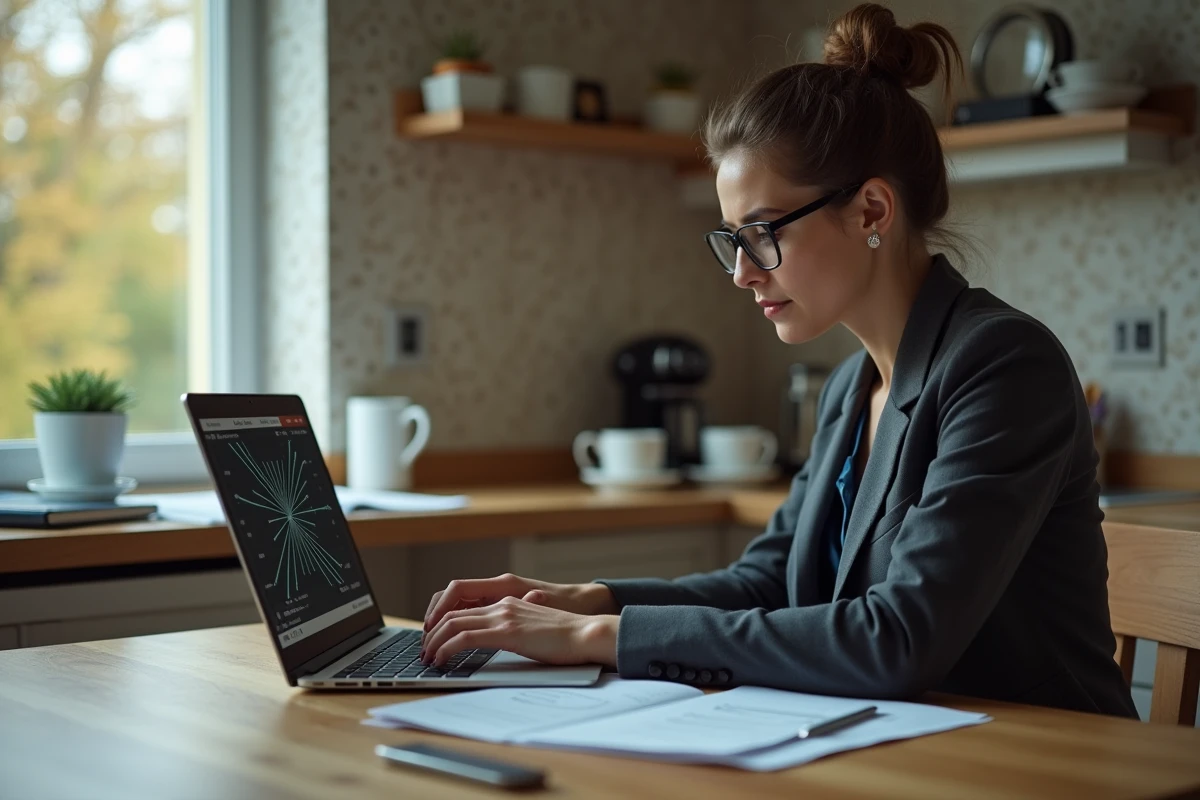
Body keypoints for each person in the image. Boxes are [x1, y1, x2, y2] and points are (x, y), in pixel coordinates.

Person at [419, 3, 1138, 717]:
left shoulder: (1003, 366)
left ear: (872, 211)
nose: (742, 273)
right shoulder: (852, 387)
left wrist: (597, 637)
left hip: (1048, 758)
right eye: (732, 240)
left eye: (763, 234)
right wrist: (587, 600)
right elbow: (767, 583)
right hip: (911, 746)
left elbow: (897, 639)